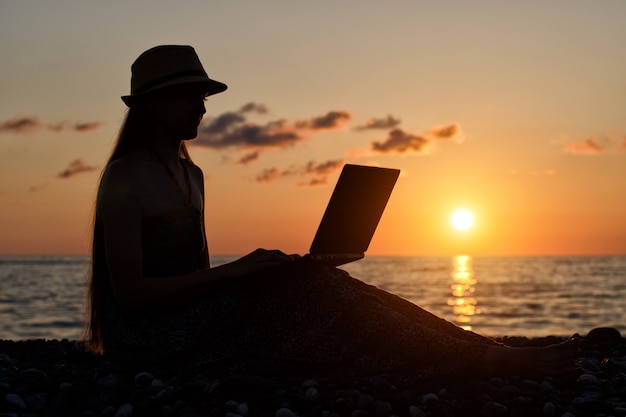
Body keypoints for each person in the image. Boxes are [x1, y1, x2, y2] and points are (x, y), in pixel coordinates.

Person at [86, 45, 576, 380]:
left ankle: (487, 352)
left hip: (187, 321)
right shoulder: (126, 178)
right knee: (324, 325)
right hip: (148, 340)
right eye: (191, 96)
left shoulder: (191, 175)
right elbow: (131, 299)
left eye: (203, 97)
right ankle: (486, 360)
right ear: (151, 105)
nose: (203, 108)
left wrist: (257, 275)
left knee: (318, 285)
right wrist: (241, 272)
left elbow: (198, 281)